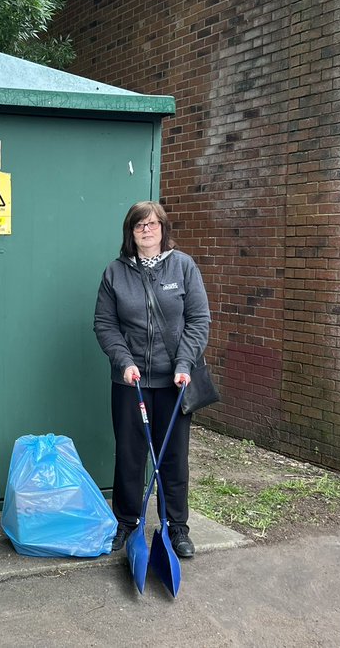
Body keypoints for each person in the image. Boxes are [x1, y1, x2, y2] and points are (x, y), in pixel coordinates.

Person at [93, 200, 211, 558]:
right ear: (131, 233)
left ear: (163, 229)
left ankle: (176, 527)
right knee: (130, 456)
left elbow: (198, 319)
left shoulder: (184, 266)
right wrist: (124, 362)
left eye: (153, 224)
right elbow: (105, 324)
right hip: (130, 384)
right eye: (140, 225)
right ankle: (127, 523)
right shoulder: (115, 273)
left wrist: (184, 363)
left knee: (173, 458)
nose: (147, 230)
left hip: (175, 383)